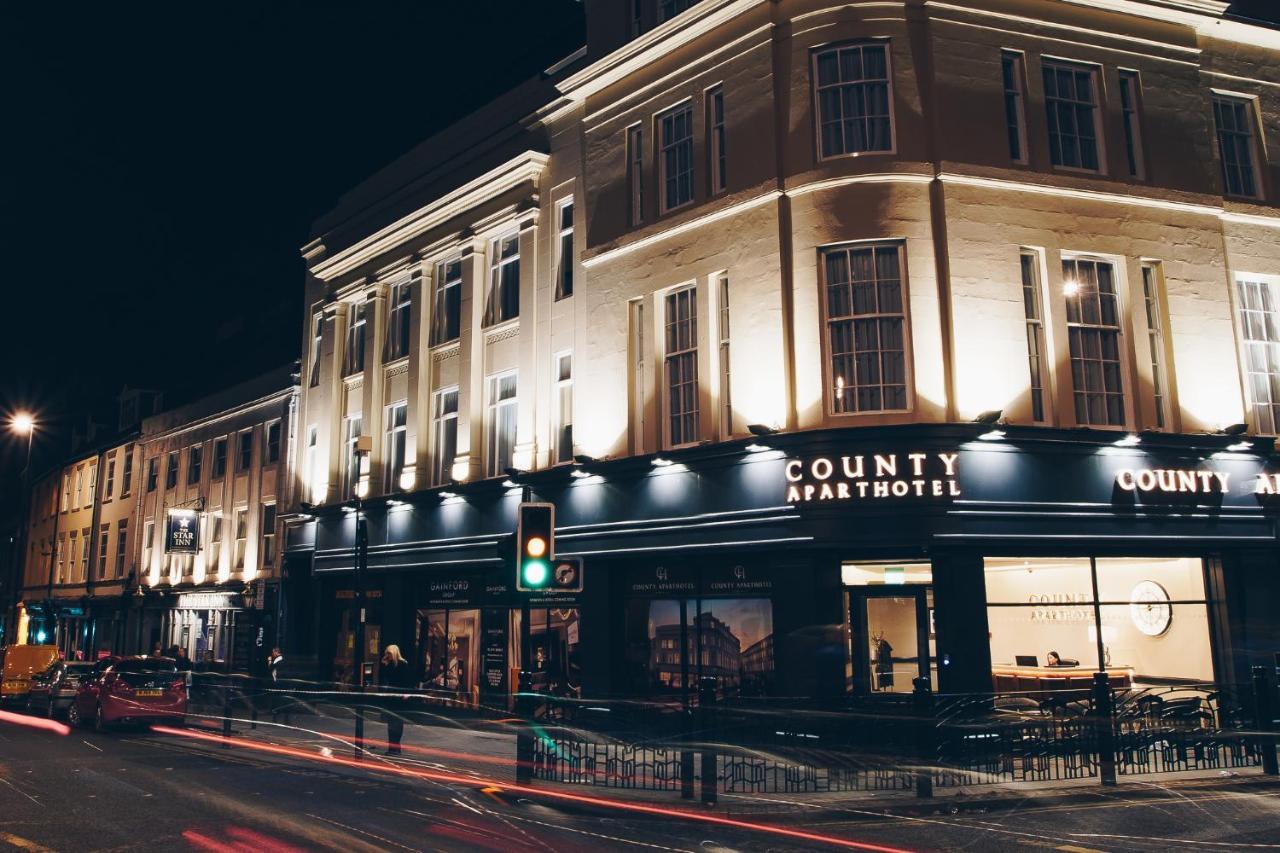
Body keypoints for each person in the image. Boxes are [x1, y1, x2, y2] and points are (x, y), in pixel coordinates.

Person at [380, 645, 413, 755]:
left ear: (394, 653)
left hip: (399, 696)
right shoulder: (389, 664)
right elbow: (385, 678)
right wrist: (384, 665)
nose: (387, 655)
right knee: (391, 723)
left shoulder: (402, 664)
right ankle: (393, 747)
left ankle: (395, 747)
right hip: (391, 696)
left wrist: (407, 693)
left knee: (397, 722)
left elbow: (407, 680)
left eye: (389, 653)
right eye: (386, 653)